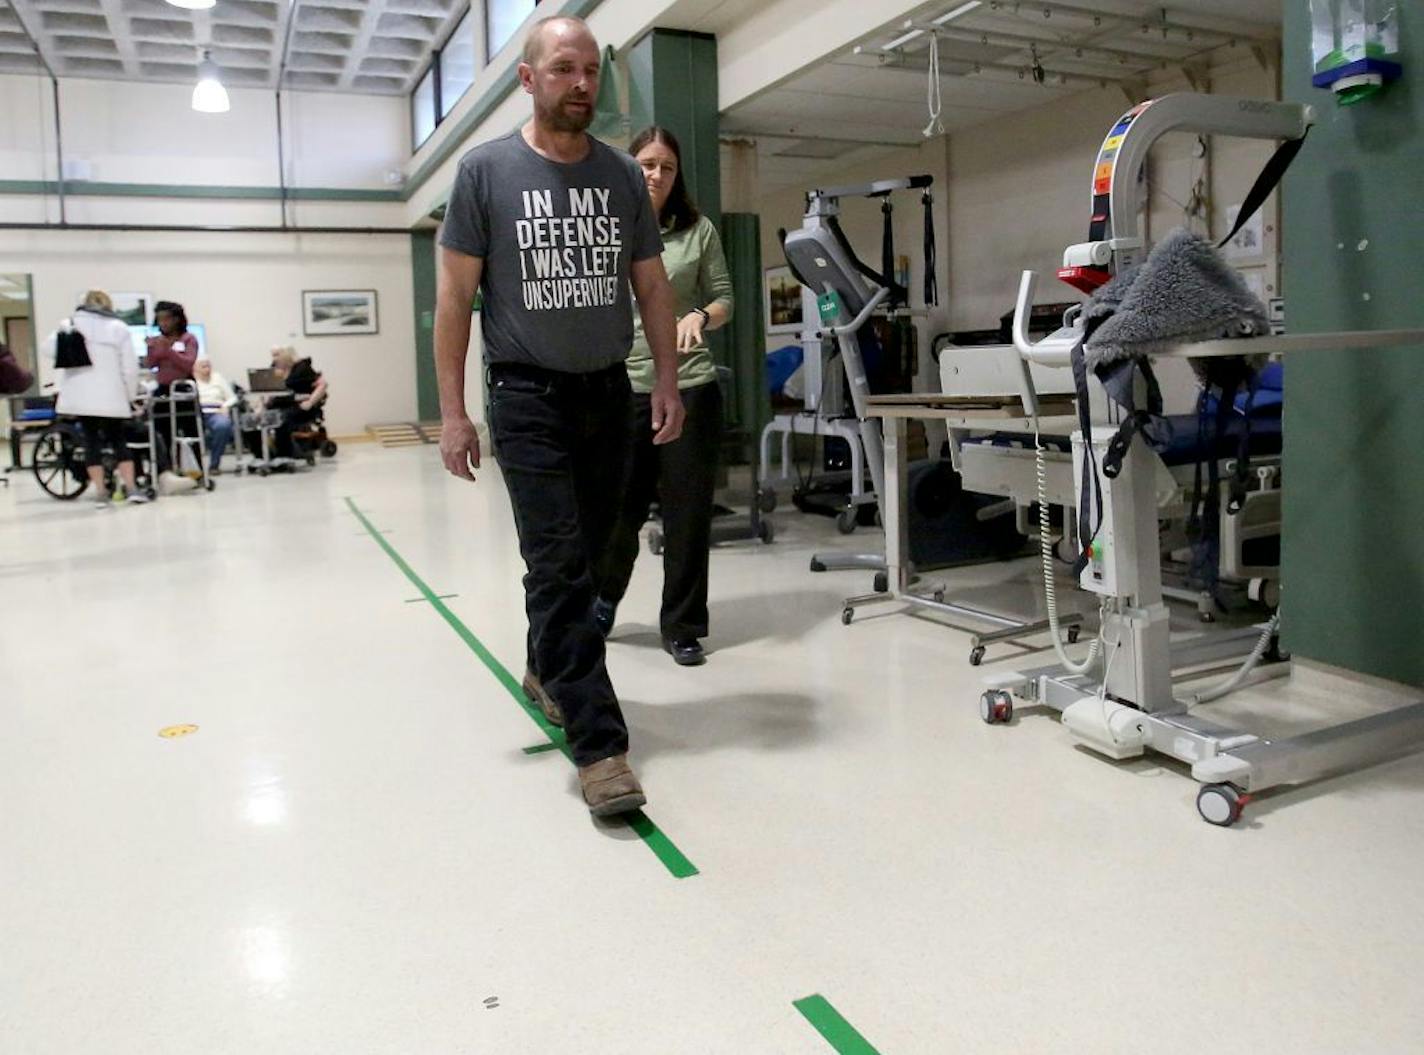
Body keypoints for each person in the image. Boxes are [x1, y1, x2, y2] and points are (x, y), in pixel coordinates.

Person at [434, 14, 684, 817]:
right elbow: (453, 300)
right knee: (558, 566)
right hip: (525, 396)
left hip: (608, 391)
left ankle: (548, 663)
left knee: (603, 549)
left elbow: (651, 286)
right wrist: (454, 412)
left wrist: (667, 381)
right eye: (565, 69)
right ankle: (600, 746)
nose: (582, 85)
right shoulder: (485, 174)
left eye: (592, 73)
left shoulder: (620, 178)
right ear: (529, 79)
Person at [594, 126, 734, 667]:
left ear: (677, 177)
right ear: (630, 168)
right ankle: (604, 600)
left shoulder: (697, 232)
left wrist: (701, 315)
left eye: (666, 167)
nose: (655, 174)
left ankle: (682, 626)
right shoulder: (608, 229)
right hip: (620, 387)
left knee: (686, 514)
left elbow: (724, 298)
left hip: (690, 384)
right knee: (617, 512)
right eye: (647, 164)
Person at [42, 290, 149, 507]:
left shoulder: (70, 323)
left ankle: (100, 493)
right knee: (118, 439)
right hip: (112, 395)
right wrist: (129, 395)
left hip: (81, 395)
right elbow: (129, 367)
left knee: (91, 442)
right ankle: (131, 489)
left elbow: (47, 349)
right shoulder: (118, 328)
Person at [144, 300, 199, 474]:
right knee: (162, 430)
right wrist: (151, 349)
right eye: (160, 320)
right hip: (163, 389)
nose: (163, 323)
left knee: (190, 429)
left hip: (184, 389)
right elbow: (151, 363)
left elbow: (188, 364)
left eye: (167, 319)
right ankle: (165, 470)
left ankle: (196, 470)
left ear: (177, 319)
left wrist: (168, 351)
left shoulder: (189, 339)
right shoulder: (158, 340)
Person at [192, 357, 236, 473]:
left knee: (223, 426)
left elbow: (232, 397)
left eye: (209, 366)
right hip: (197, 412)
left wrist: (226, 405)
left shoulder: (218, 378)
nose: (207, 369)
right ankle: (195, 467)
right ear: (195, 369)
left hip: (216, 411)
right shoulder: (191, 381)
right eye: (203, 366)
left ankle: (214, 464)